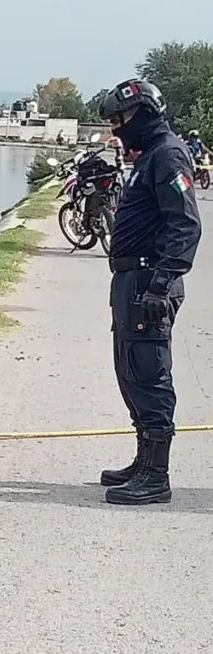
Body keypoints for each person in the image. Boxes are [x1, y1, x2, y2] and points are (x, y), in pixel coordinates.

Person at [98, 79, 202, 505]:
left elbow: (185, 225)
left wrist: (162, 283)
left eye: (121, 119)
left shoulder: (168, 154)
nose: (117, 128)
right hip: (130, 279)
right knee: (131, 370)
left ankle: (156, 476)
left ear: (143, 113)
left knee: (149, 371)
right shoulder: (148, 156)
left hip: (149, 281)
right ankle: (143, 460)